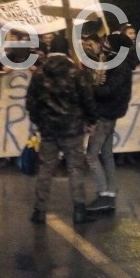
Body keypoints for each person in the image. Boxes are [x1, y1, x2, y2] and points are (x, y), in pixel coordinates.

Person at [26, 35, 97, 225]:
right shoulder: (75, 72)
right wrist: (91, 119)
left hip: (48, 129)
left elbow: (31, 102)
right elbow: (87, 98)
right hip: (72, 128)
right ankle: (79, 210)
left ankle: (39, 210)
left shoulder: (40, 73)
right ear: (67, 50)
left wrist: (38, 121)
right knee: (75, 168)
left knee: (46, 168)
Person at [84, 33, 133, 213]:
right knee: (106, 154)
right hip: (110, 114)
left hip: (104, 114)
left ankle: (103, 193)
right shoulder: (118, 64)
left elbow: (109, 91)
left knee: (91, 155)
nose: (104, 45)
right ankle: (111, 191)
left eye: (107, 42)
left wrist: (92, 88)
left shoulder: (119, 67)